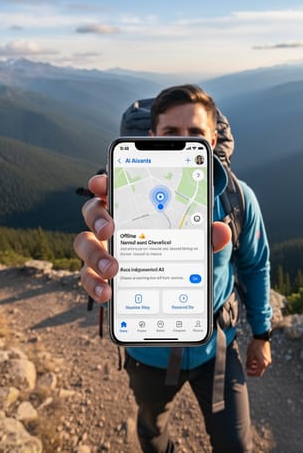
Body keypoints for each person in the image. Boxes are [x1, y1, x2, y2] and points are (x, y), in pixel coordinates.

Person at [74, 84, 273, 452]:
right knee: (152, 431)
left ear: (213, 138)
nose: (182, 142)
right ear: (151, 137)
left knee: (236, 445)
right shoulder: (123, 195)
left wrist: (262, 334)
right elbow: (100, 244)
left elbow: (256, 264)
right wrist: (100, 248)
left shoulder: (237, 198)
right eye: (170, 133)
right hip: (147, 352)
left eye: (195, 134)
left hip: (216, 347)